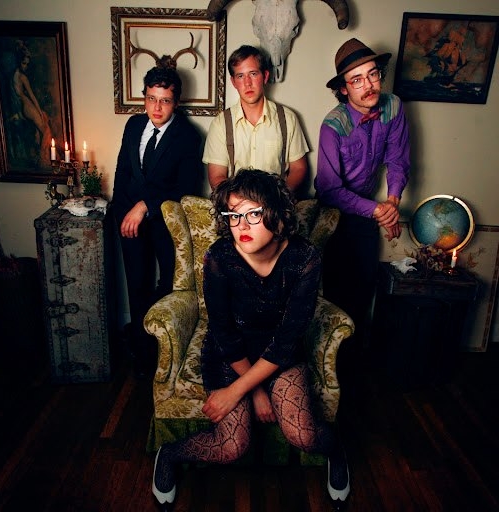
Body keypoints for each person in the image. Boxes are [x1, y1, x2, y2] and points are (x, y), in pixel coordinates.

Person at [152, 169, 350, 509]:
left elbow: (287, 339)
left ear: (279, 214)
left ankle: (336, 451)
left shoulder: (304, 258)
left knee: (303, 435)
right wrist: (256, 391)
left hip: (281, 355)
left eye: (253, 214)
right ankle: (168, 454)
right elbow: (223, 332)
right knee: (232, 446)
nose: (241, 225)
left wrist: (238, 391)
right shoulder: (219, 256)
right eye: (233, 215)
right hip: (230, 354)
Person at [315, 38, 410, 347]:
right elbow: (329, 190)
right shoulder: (332, 126)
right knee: (336, 299)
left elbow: (397, 159)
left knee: (365, 291)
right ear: (343, 89)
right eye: (357, 80)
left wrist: (392, 202)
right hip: (332, 217)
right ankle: (332, 364)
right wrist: (379, 210)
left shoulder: (393, 107)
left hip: (369, 212)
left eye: (373, 74)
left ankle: (357, 366)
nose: (368, 85)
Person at [111, 59, 203, 377]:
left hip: (166, 224)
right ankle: (141, 353)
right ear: (144, 97)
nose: (157, 107)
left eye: (165, 100)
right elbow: (123, 173)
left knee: (168, 285)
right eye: (151, 98)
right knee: (136, 284)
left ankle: (159, 346)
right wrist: (122, 214)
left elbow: (186, 188)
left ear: (176, 101)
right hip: (129, 222)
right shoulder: (133, 126)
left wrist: (145, 206)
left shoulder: (188, 136)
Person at [203, 45, 309, 194]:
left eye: (253, 74)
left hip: (276, 203)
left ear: (265, 76)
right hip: (236, 205)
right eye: (240, 76)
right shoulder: (220, 124)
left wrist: (278, 197)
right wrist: (240, 201)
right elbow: (216, 176)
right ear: (233, 82)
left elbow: (299, 168)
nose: (247, 83)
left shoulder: (287, 118)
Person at [11, 40, 53, 167]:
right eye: (24, 63)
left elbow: (16, 95)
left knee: (39, 129)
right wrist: (39, 111)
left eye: (27, 64)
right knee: (45, 129)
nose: (25, 66)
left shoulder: (13, 76)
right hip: (27, 104)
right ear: (19, 61)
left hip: (22, 106)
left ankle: (42, 155)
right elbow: (32, 96)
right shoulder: (22, 77)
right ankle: (45, 158)